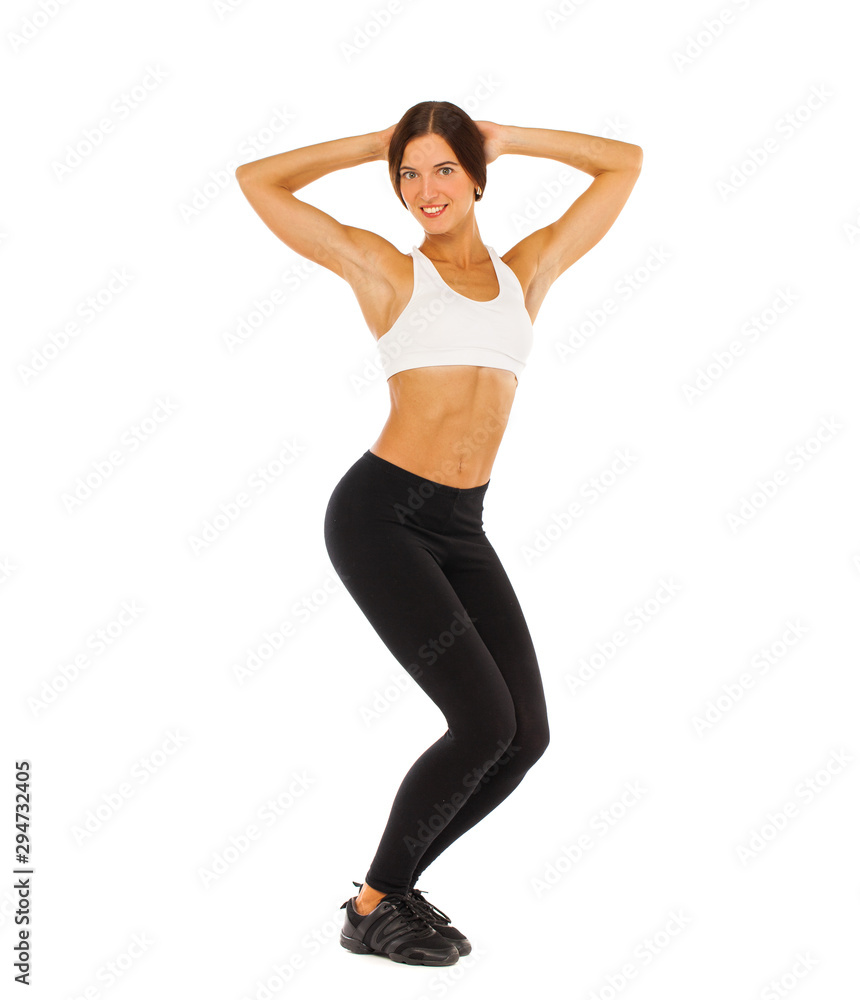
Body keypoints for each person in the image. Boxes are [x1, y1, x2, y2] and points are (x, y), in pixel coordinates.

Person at [235, 101, 642, 967]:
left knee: (523, 736)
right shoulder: (387, 272)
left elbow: (624, 164)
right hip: (381, 516)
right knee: (480, 722)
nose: (425, 189)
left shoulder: (525, 271)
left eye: (444, 169)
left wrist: (513, 135)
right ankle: (375, 905)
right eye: (408, 174)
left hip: (462, 525)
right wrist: (374, 142)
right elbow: (257, 181)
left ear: (477, 176)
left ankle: (393, 891)